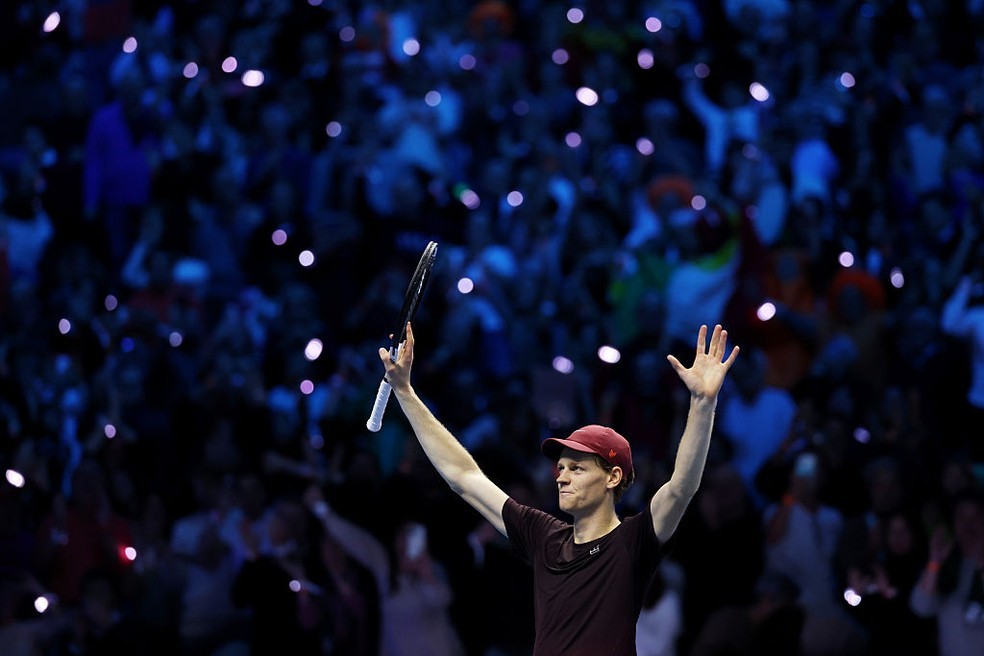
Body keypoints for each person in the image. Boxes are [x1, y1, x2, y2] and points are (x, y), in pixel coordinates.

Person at [378, 322, 739, 655]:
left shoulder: (634, 541)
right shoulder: (544, 535)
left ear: (612, 478)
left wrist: (702, 404)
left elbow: (681, 487)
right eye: (560, 467)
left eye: (577, 468)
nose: (561, 477)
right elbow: (464, 476)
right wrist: (406, 393)